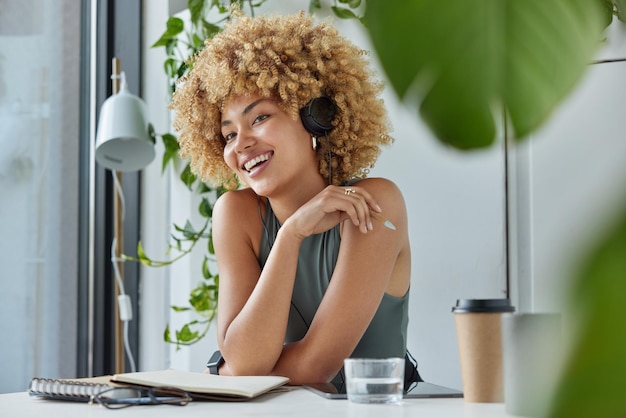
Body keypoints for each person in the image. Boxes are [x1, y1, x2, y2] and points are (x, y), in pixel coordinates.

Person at [170, 10, 420, 387]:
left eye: (259, 118)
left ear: (314, 118)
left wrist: (231, 371)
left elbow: (313, 369)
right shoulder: (236, 214)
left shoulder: (373, 203)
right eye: (228, 135)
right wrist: (291, 235)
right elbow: (244, 361)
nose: (242, 144)